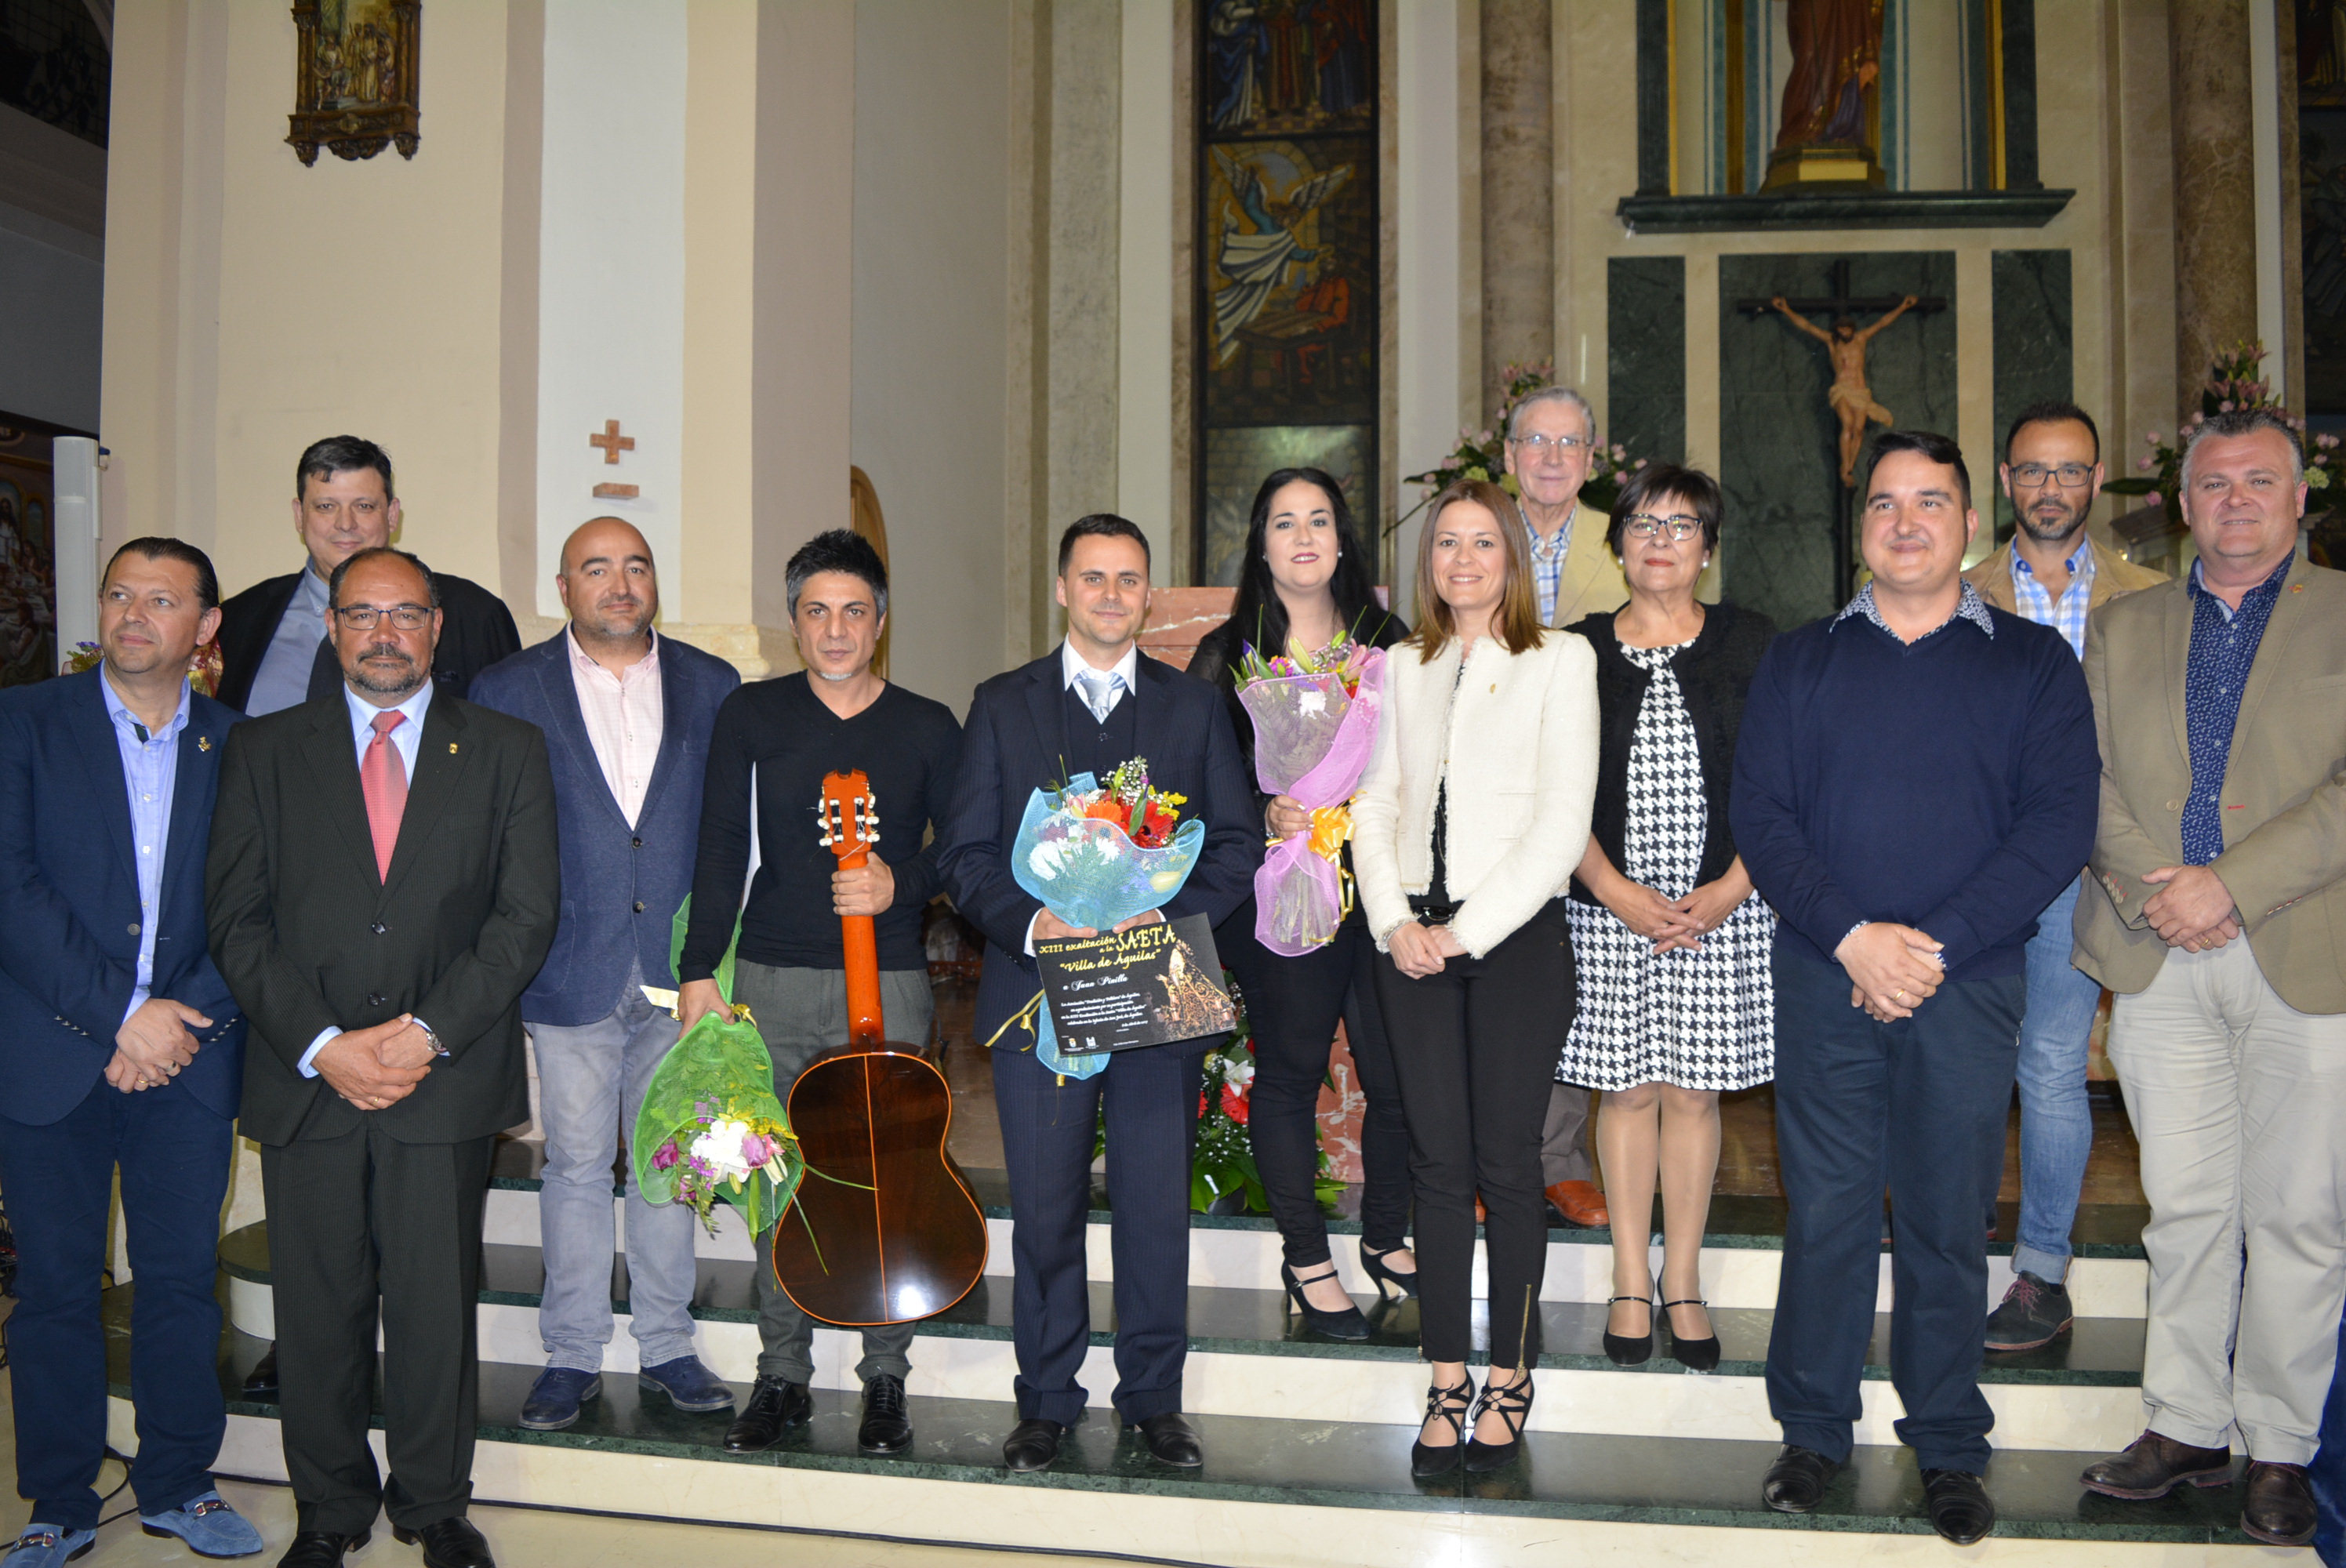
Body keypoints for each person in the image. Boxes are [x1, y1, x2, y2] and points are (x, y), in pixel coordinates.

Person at [1731, 430, 2097, 1545]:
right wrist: (1853, 939)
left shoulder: (2033, 664)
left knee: (1946, 1222)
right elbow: (1765, 816)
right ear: (1862, 529)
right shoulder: (1801, 660)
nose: (1905, 523)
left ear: (1967, 526)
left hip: (1967, 984)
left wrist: (1927, 947)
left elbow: (2056, 830)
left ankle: (1947, 1442)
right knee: (1830, 1213)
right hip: (1823, 976)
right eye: (1884, 504)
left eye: (1929, 502)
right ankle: (1814, 1432)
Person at [207, 546, 559, 1568]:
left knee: (432, 1301)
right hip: (307, 1076)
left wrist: (421, 1034)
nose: (385, 634)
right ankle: (327, 1513)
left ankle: (434, 1504)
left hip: (439, 1076)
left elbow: (523, 916)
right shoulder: (266, 750)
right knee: (318, 1306)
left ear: (436, 628)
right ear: (333, 628)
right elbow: (235, 920)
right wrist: (324, 1045)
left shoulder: (504, 749)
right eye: (362, 614)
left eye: (406, 614)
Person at [2072, 408, 2346, 1550]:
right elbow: (2077, 777)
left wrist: (2229, 883)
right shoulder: (2122, 627)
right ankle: (2185, 1421)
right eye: (2215, 484)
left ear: (2298, 500)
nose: (2237, 501)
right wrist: (2161, 887)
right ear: (2182, 506)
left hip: (2304, 951)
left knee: (2298, 1215)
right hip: (2156, 950)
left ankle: (2282, 1445)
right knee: (2186, 1208)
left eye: (2260, 482)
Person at [938, 515, 1258, 1474]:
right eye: (1093, 577)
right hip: (1041, 995)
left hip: (1155, 989)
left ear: (1148, 596)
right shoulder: (1002, 704)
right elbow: (963, 852)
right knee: (1043, 1207)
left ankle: (1154, 1399)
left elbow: (1237, 845)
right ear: (1064, 590)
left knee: (1156, 1204)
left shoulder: (1192, 710)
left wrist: (1149, 916)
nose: (1111, 594)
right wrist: (1042, 923)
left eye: (1128, 579)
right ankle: (1043, 1399)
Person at [0, 540, 264, 1568]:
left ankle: (178, 1484)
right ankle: (59, 1499)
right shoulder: (23, 724)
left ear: (205, 629)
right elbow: (11, 892)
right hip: (50, 1053)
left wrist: (171, 1021)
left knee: (178, 1279)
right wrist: (121, 1017)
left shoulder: (245, 748)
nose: (134, 614)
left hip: (187, 1060)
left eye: (163, 599)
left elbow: (254, 913)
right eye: (120, 594)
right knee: (59, 1285)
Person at [677, 529, 961, 1459]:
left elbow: (963, 849)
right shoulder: (750, 715)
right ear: (793, 622)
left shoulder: (927, 725)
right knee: (775, 1179)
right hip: (771, 979)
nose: (835, 629)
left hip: (891, 982)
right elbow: (719, 847)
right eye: (815, 611)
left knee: (891, 1175)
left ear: (880, 622)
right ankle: (783, 1372)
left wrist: (898, 885)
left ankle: (886, 1374)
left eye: (854, 611)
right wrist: (697, 972)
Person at [468, 518, 743, 1433]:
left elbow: (731, 836)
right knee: (578, 1166)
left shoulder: (712, 684)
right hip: (567, 963)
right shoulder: (506, 689)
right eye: (597, 567)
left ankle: (667, 1342)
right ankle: (571, 1353)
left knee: (667, 1163)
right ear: (563, 584)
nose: (619, 583)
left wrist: (716, 956)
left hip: (682, 970)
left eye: (635, 565)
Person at [1351, 478, 1599, 1476]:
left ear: (1512, 557)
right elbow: (1374, 802)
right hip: (1409, 944)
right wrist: (1392, 921)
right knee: (1436, 1169)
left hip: (1515, 949)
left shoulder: (1559, 659)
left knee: (1508, 1164)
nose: (1462, 560)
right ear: (1429, 562)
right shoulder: (1399, 665)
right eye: (1446, 544)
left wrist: (1466, 931)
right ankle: (1446, 1376)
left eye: (1481, 543)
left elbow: (1559, 822)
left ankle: (1511, 1372)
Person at [1185, 467, 1416, 1338]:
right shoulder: (1230, 650)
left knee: (1396, 1078)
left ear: (1342, 538)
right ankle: (1307, 1254)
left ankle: (1387, 1234)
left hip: (1380, 890)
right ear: (1262, 543)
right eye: (1285, 522)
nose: (1305, 535)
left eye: (1320, 519)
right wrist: (1266, 807)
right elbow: (1200, 780)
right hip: (1281, 896)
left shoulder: (1387, 643)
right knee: (1289, 1076)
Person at [1559, 465, 1776, 1374]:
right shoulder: (1573, 651)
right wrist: (1610, 887)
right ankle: (1626, 1280)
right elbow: (1550, 789)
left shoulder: (1751, 641)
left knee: (1692, 1091)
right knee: (1628, 1088)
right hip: (1608, 905)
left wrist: (1733, 884)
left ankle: (1681, 1279)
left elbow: (1785, 780)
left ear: (1708, 547)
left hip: (1721, 902)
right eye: (1642, 524)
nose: (1660, 540)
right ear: (1617, 545)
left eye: (1681, 525)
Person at [1960, 401, 2166, 1352]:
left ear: (2095, 479)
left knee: (2049, 1065)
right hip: (1978, 865)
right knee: (1956, 1058)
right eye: (2032, 471)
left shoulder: (2151, 593)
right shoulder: (1954, 590)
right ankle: (1952, 1223)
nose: (2051, 488)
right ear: (2004, 480)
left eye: (2070, 470)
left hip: (2090, 867)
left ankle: (2041, 1272)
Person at [1499, 384, 1621, 1232]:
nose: (1549, 456)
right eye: (1533, 441)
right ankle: (1487, 1156)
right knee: (1486, 977)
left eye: (1566, 442)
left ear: (1589, 457)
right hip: (1479, 786)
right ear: (1508, 455)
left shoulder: (1628, 541)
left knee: (1569, 979)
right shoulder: (1471, 534)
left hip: (1591, 782)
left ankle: (1559, 1158)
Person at [215, 435, 520, 716]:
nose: (345, 524)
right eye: (326, 506)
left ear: (391, 514)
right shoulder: (238, 620)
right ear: (299, 515)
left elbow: (507, 741)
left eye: (364, 506)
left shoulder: (474, 616)